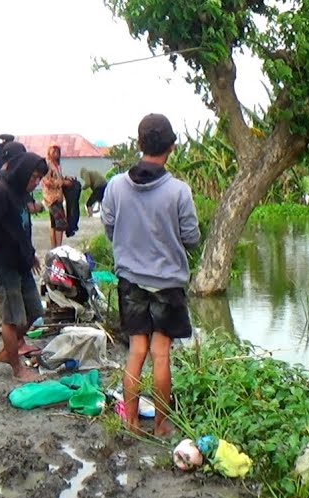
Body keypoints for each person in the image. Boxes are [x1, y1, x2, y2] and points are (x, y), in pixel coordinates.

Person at [100, 113, 200, 437]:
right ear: (171, 147)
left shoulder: (115, 185)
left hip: (130, 280)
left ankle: (129, 421)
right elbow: (192, 238)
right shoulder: (179, 191)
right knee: (160, 354)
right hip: (168, 284)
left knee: (136, 351)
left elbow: (110, 227)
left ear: (139, 144)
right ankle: (161, 425)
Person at [0, 151, 48, 383]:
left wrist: (30, 254)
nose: (36, 183)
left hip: (21, 264)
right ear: (23, 172)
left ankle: (8, 349)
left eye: (39, 179)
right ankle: (17, 368)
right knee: (12, 319)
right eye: (33, 177)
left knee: (34, 311)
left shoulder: (21, 194)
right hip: (4, 266)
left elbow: (21, 229)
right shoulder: (1, 193)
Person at [41, 143, 72, 248]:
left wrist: (65, 179)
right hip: (52, 198)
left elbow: (59, 178)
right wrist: (60, 183)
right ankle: (58, 247)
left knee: (54, 224)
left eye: (57, 152)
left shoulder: (57, 166)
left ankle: (54, 247)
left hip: (57, 197)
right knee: (61, 223)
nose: (56, 154)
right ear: (49, 152)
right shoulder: (48, 165)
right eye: (53, 151)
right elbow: (46, 180)